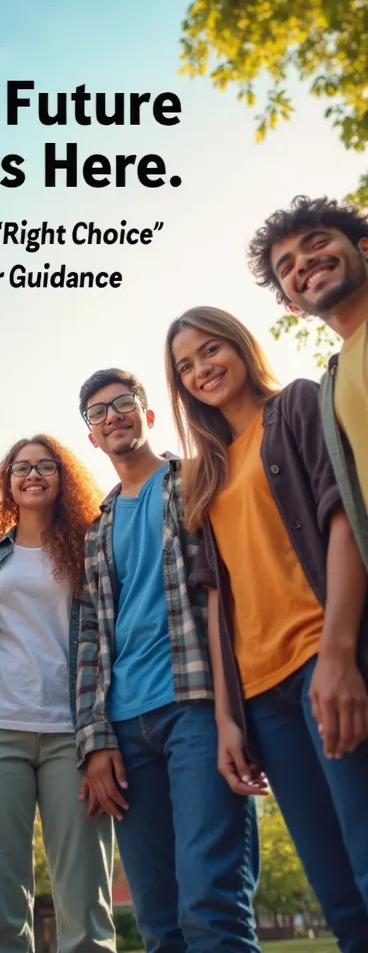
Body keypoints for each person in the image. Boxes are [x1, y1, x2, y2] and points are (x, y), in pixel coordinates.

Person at [166, 306, 368, 952]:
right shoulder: (207, 471)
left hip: (320, 659)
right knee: (335, 889)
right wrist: (228, 719)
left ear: (240, 346)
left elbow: (343, 519)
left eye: (209, 349)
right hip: (262, 699)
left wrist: (337, 654)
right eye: (185, 366)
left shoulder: (298, 407)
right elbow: (216, 601)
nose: (201, 370)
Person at [76, 368, 260, 953]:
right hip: (127, 731)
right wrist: (95, 738)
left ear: (147, 414)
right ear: (92, 436)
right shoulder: (95, 530)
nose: (113, 416)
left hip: (197, 708)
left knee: (213, 905)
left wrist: (234, 714)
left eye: (123, 403)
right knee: (158, 923)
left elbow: (227, 590)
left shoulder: (199, 480)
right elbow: (88, 639)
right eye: (98, 413)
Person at [0, 435, 115, 953]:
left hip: (72, 737)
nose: (32, 474)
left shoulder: (89, 549)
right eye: (21, 467)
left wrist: (101, 734)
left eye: (44, 466)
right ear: (6, 481)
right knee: (0, 906)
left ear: (62, 476)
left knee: (86, 903)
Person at [248, 195, 368, 568]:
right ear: (293, 306)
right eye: (286, 268)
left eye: (317, 244)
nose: (303, 263)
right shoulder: (329, 388)